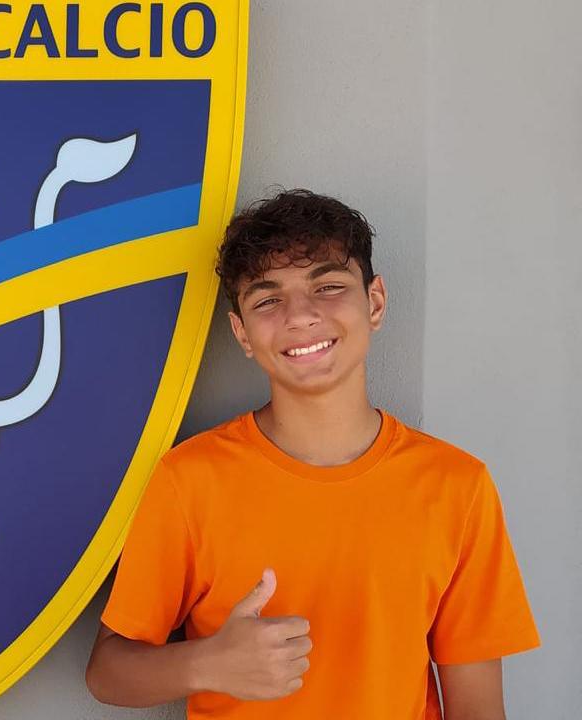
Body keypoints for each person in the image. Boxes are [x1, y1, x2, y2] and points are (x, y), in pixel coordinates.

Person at [85, 190, 539, 719]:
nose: (300, 316)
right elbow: (107, 672)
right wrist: (207, 664)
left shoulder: (457, 486)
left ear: (375, 302)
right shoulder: (190, 479)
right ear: (242, 333)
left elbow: (478, 708)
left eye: (327, 287)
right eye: (267, 299)